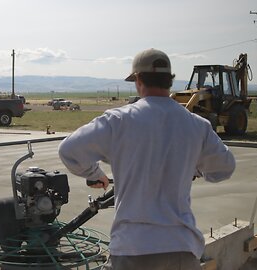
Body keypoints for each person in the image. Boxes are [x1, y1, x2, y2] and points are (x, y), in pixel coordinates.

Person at [58, 48, 235, 269]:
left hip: (133, 247)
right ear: (169, 81)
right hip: (182, 248)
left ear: (138, 79)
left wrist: (95, 174)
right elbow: (225, 167)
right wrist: (194, 168)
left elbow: (69, 150)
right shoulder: (197, 125)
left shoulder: (119, 120)